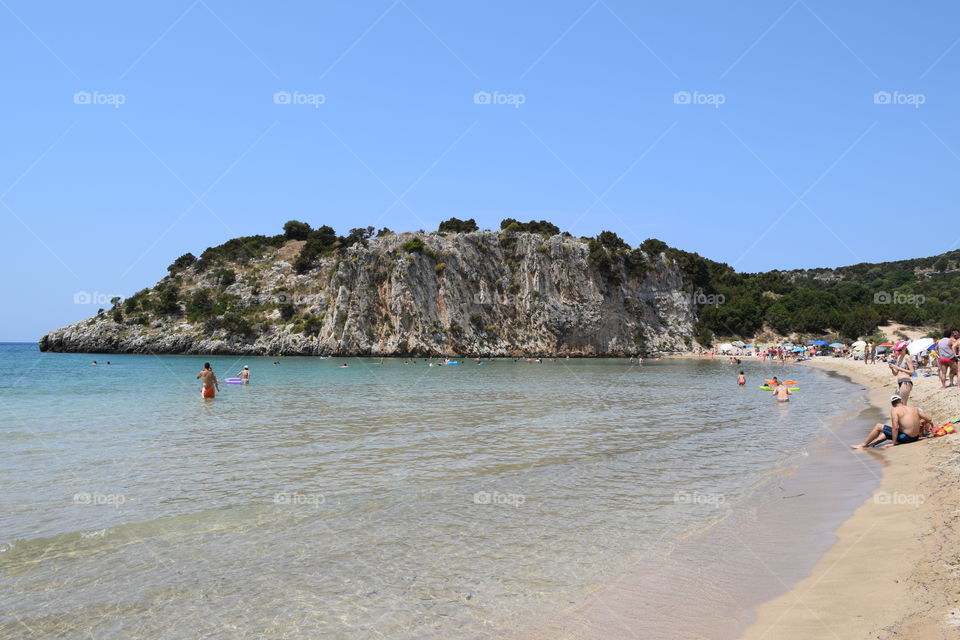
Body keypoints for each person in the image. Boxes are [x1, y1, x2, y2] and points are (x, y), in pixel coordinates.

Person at [851, 395, 932, 449]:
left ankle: (864, 444)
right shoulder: (913, 408)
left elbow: (895, 427)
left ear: (892, 404)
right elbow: (929, 419)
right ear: (901, 402)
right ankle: (873, 444)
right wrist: (927, 427)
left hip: (907, 438)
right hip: (915, 437)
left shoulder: (895, 410)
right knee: (889, 430)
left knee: (879, 426)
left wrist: (893, 443)